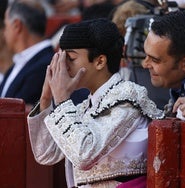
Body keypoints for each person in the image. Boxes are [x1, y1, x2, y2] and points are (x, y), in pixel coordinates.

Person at [27, 18, 164, 188]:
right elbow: (46, 154)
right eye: (61, 58)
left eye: (70, 58)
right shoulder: (86, 106)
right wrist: (46, 98)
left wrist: (62, 100)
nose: (63, 67)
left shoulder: (127, 99)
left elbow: (85, 155)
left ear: (99, 61)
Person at [0, 0, 54, 108]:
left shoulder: (46, 65)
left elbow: (15, 112)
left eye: (5, 26)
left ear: (17, 26)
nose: (4, 32)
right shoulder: (18, 64)